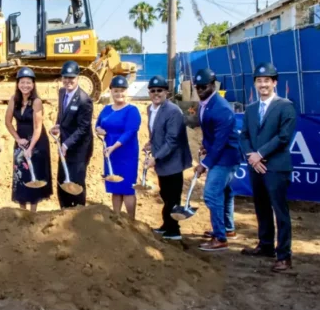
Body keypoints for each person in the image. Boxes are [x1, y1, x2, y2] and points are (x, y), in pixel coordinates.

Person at [240, 63, 296, 272]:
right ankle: (265, 246)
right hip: (256, 166)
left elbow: (283, 138)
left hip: (276, 167)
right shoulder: (251, 109)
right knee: (261, 207)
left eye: (267, 80)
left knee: (279, 211)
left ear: (274, 83)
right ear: (255, 83)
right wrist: (252, 158)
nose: (263, 84)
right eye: (259, 81)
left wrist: (260, 155)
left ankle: (284, 256)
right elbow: (244, 135)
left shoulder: (285, 106)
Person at [194, 68, 242, 252]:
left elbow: (221, 142)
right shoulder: (205, 103)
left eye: (203, 87)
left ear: (213, 86)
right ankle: (228, 229)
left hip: (227, 157)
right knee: (226, 192)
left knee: (211, 194)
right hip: (219, 152)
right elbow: (211, 133)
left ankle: (220, 238)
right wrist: (206, 144)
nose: (199, 90)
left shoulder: (221, 108)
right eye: (197, 87)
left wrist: (204, 164)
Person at [143, 76, 192, 240]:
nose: (156, 94)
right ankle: (166, 225)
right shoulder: (150, 109)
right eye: (153, 91)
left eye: (160, 90)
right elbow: (156, 132)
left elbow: (172, 140)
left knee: (172, 197)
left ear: (166, 92)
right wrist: (151, 143)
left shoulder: (173, 111)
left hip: (173, 161)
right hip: (162, 162)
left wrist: (155, 158)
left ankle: (174, 230)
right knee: (165, 195)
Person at [5, 67, 52, 212]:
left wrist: (31, 148)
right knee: (20, 175)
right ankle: (22, 211)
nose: (25, 85)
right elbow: (7, 122)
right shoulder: (14, 100)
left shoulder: (36, 102)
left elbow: (38, 128)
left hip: (36, 142)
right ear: (18, 84)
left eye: (28, 82)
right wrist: (18, 139)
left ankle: (32, 212)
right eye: (22, 82)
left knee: (34, 175)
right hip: (21, 141)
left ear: (33, 84)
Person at [95, 75, 141, 217]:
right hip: (110, 154)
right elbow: (98, 124)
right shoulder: (107, 109)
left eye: (122, 90)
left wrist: (114, 147)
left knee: (127, 188)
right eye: (116, 90)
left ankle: (131, 222)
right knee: (115, 187)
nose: (119, 94)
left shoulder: (132, 110)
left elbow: (129, 132)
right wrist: (98, 130)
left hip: (126, 153)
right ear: (111, 91)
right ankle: (117, 220)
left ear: (127, 91)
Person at [50, 61, 93, 208]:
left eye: (71, 78)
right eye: (65, 77)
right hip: (65, 144)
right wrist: (58, 125)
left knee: (76, 182)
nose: (68, 81)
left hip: (80, 148)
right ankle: (65, 211)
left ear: (78, 78)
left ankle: (79, 214)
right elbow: (62, 113)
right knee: (62, 180)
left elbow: (83, 128)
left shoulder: (84, 100)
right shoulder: (62, 92)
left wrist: (67, 144)